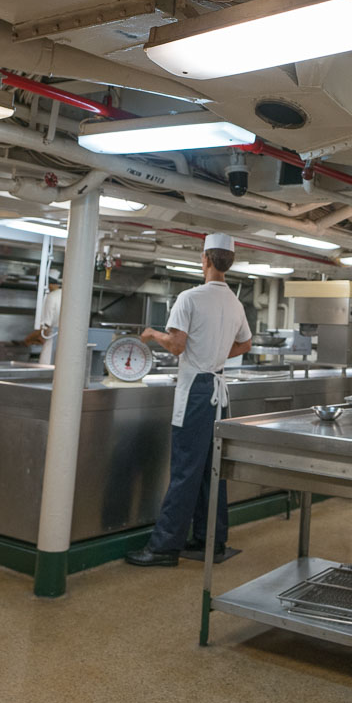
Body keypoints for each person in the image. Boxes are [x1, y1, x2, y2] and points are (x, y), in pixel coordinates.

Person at [126, 233, 251, 567]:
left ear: (205, 259)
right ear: (229, 262)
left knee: (184, 469)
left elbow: (177, 345)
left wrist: (152, 334)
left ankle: (164, 547)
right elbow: (246, 345)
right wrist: (215, 354)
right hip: (219, 392)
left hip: (196, 390)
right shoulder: (235, 303)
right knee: (213, 469)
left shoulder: (190, 298)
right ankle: (211, 539)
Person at [24, 268, 62, 364]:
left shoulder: (51, 297)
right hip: (67, 343)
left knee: (46, 368)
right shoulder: (66, 295)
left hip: (53, 341)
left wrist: (27, 340)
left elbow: (45, 328)